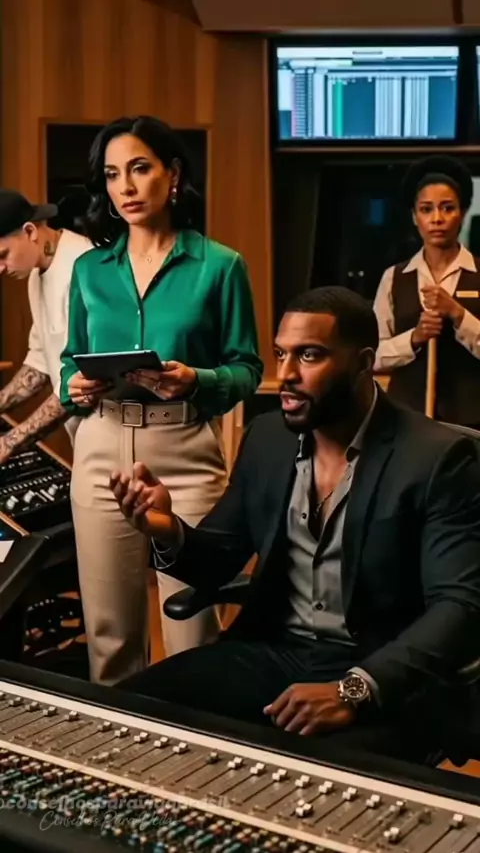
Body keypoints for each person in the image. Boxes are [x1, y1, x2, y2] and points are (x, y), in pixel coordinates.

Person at [111, 286, 480, 751]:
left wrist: (354, 690)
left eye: (309, 355)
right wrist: (166, 529)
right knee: (120, 714)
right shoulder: (269, 438)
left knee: (301, 777)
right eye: (281, 354)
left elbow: (459, 606)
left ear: (364, 363)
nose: (285, 374)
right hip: (274, 651)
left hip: (382, 669)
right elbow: (218, 558)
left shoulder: (437, 458)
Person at [59, 115, 263, 685]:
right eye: (111, 175)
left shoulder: (220, 265)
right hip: (100, 448)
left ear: (172, 175)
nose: (124, 187)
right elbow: (70, 358)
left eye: (139, 169)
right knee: (109, 636)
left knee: (193, 631)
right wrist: (73, 385)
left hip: (184, 450)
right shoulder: (89, 270)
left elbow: (248, 369)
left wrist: (197, 380)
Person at [374, 155, 480, 427]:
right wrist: (415, 337)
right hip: (407, 422)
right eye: (426, 209)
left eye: (448, 208)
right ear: (414, 216)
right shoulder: (394, 278)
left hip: (471, 424)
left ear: (462, 213)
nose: (437, 219)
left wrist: (458, 315)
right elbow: (373, 355)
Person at [0, 190, 91, 458]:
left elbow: (84, 379)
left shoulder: (86, 267)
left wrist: (9, 442)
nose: (0, 268)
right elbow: (40, 362)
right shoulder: (35, 275)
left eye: (3, 254)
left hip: (114, 438)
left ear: (30, 231)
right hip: (84, 442)